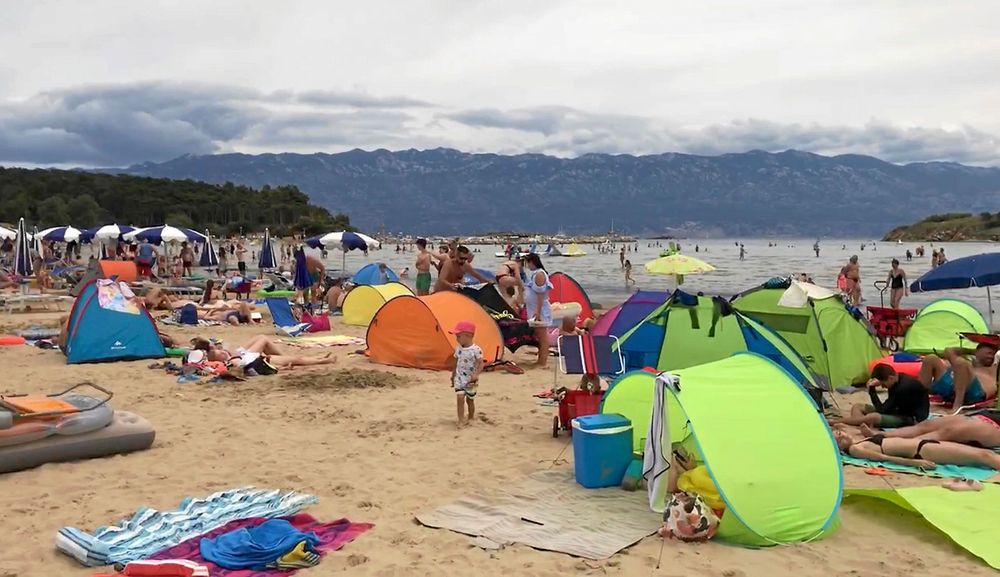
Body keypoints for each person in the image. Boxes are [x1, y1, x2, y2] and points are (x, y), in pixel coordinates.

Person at [833, 426, 1000, 471]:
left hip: (924, 444)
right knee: (983, 456)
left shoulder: (860, 440)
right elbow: (883, 458)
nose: (842, 436)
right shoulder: (855, 449)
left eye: (839, 433)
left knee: (986, 454)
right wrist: (914, 463)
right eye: (839, 440)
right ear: (839, 449)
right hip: (922, 451)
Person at [832, 364, 929, 428]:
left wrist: (872, 391)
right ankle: (858, 423)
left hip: (912, 418)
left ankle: (838, 422)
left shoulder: (902, 388)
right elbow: (885, 408)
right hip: (899, 410)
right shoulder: (897, 379)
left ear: (890, 378)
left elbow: (882, 410)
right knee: (858, 406)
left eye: (883, 384)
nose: (883, 386)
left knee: (873, 417)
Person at [859, 410, 1000, 448]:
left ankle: (894, 445)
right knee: (926, 425)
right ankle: (881, 435)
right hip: (985, 416)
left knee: (948, 432)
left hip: (995, 429)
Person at [917, 345, 998, 408]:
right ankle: (918, 400)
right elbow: (949, 350)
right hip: (952, 387)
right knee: (930, 358)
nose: (991, 356)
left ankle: (957, 406)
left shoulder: (994, 368)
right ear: (977, 352)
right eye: (989, 353)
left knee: (961, 363)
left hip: (974, 393)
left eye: (994, 354)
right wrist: (972, 351)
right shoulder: (969, 364)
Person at [191, 335, 338, 370]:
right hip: (246, 360)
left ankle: (319, 358)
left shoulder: (212, 353)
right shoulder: (211, 355)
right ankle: (323, 361)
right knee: (296, 358)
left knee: (262, 338)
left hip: (242, 357)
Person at [449, 320, 483, 427]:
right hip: (459, 378)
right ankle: (460, 419)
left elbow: (481, 363)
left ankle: (471, 416)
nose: (457, 339)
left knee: (470, 400)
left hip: (471, 380)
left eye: (459, 336)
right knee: (460, 397)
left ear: (468, 336)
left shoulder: (476, 350)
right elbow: (455, 362)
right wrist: (453, 375)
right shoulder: (458, 349)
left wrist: (476, 374)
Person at [522, 253, 552, 368]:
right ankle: (541, 359)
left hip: (539, 309)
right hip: (535, 308)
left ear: (532, 262)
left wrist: (538, 312)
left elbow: (540, 294)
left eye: (527, 263)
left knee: (542, 336)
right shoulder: (535, 274)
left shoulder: (539, 274)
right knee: (539, 335)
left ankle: (542, 362)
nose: (527, 266)